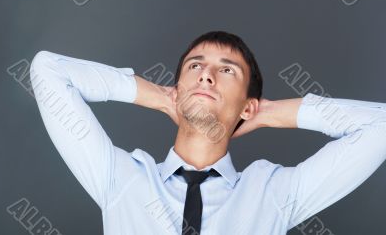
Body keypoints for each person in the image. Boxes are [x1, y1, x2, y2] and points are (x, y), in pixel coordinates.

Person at [30, 31, 386, 235]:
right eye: (195, 66)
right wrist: (160, 97)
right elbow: (47, 71)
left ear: (248, 106)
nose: (206, 75)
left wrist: (269, 112)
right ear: (178, 87)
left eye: (226, 70)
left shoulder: (273, 192)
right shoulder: (119, 178)